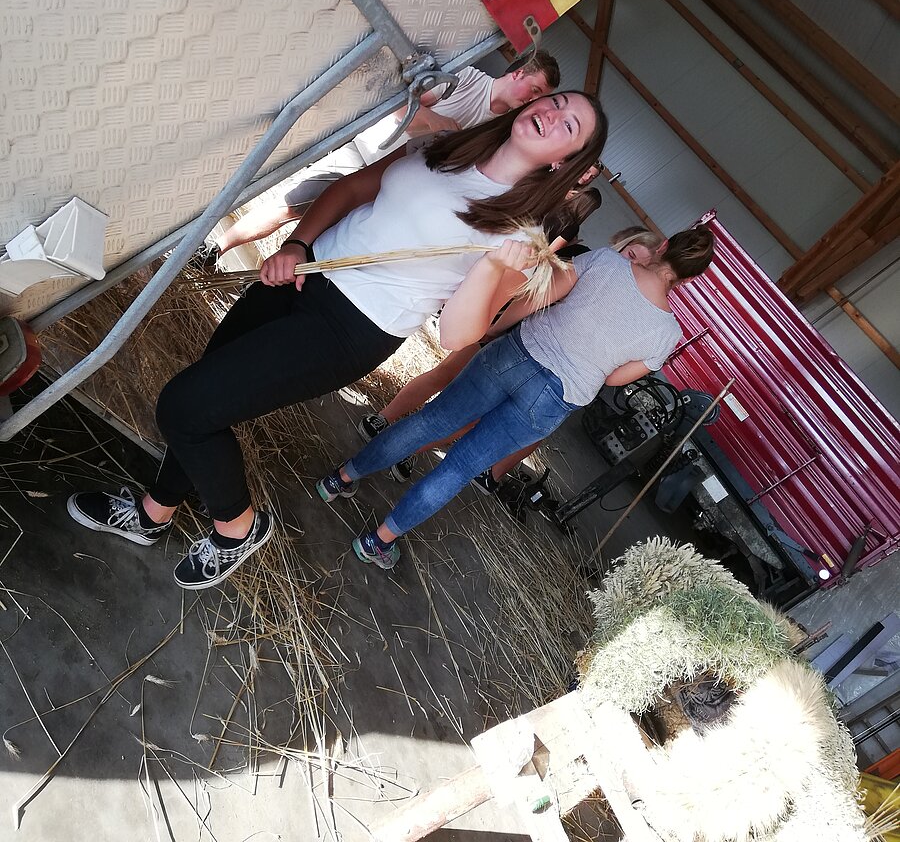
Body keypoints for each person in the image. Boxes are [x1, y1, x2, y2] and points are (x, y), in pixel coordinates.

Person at [67, 91, 606, 589]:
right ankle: (152, 514)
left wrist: (491, 269)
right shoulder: (443, 147)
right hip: (306, 273)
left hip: (351, 328)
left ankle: (237, 528)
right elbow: (351, 189)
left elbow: (457, 335)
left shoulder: (521, 238)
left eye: (570, 125)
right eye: (556, 102)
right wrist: (298, 244)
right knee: (207, 402)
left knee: (184, 406)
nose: (553, 115)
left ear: (565, 161)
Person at [316, 225, 715, 569]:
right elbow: (613, 379)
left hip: (519, 352)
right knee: (461, 466)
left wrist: (493, 327)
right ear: (689, 278)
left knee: (430, 422)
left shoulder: (606, 261)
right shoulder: (666, 334)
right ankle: (377, 541)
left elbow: (540, 296)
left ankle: (339, 479)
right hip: (557, 396)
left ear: (664, 246)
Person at [356, 183, 604, 484]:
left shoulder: (548, 220)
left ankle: (384, 421)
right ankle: (404, 445)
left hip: (502, 320)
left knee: (448, 381)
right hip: (513, 333)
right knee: (463, 404)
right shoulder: (577, 252)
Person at [217, 50, 561, 254]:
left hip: (393, 191)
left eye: (539, 97)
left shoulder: (500, 130)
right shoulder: (464, 80)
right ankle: (215, 249)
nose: (532, 102)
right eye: (534, 91)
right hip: (367, 157)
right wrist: (436, 122)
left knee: (321, 241)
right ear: (518, 73)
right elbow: (397, 104)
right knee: (291, 207)